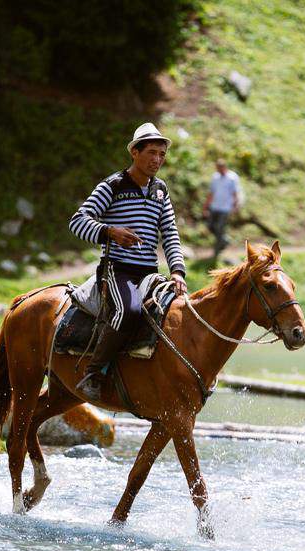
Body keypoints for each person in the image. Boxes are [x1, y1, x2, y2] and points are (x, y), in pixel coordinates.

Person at [68, 122, 188, 402]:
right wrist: (109, 232)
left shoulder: (160, 190)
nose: (157, 160)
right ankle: (94, 373)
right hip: (116, 269)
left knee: (180, 314)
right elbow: (77, 221)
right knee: (130, 311)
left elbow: (169, 232)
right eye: (151, 153)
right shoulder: (113, 185)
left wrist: (178, 271)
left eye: (162, 154)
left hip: (149, 273)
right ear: (135, 152)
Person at [202, 158, 242, 261]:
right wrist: (206, 206)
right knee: (211, 227)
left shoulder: (232, 177)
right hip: (215, 207)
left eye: (219, 167)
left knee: (219, 229)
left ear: (224, 167)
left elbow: (235, 193)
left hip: (225, 208)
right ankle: (224, 240)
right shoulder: (215, 177)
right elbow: (211, 193)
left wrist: (236, 205)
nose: (218, 169)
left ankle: (216, 252)